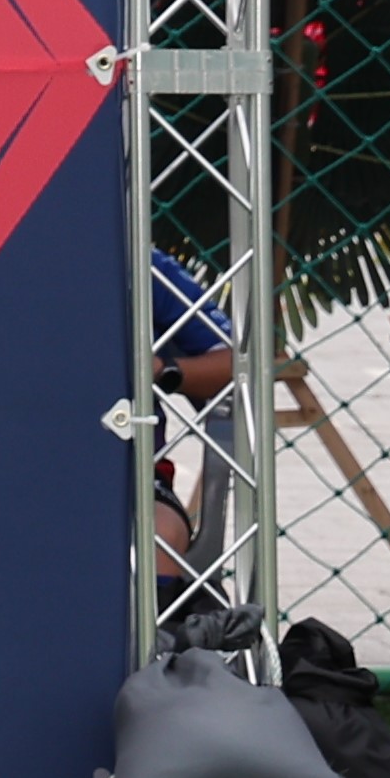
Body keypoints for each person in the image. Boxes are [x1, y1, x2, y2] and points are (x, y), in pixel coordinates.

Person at [147, 247, 241, 580]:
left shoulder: (138, 261)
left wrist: (161, 370)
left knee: (156, 537)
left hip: (132, 479)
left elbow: (237, 364)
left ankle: (153, 631)